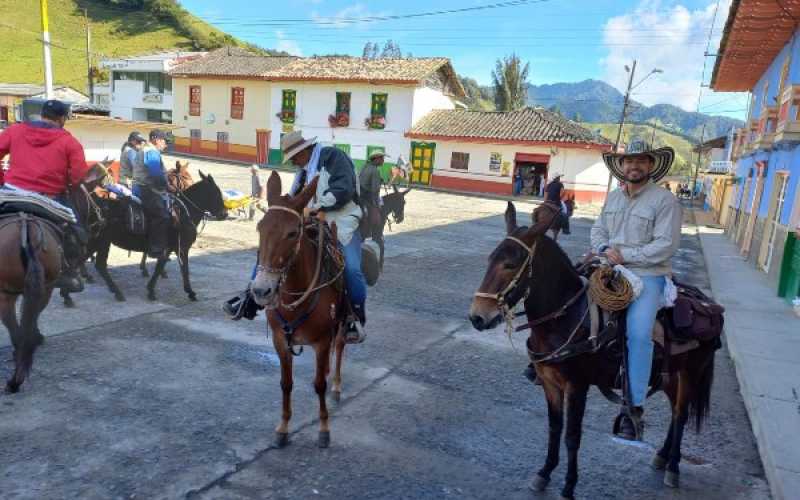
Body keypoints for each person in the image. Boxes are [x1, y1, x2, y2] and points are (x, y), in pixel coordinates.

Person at [224, 131, 372, 344]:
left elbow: (344, 187)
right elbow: (297, 197)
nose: (293, 161)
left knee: (351, 268)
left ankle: (354, 316)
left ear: (305, 150)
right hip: (309, 219)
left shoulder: (333, 157)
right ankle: (250, 298)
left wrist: (318, 207)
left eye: (294, 156)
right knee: (274, 245)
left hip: (342, 220)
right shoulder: (303, 171)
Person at [590, 140, 682, 440]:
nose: (634, 166)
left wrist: (626, 255)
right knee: (568, 301)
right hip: (611, 269)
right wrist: (604, 248)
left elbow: (665, 245)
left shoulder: (664, 201)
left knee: (639, 333)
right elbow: (598, 230)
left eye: (641, 161)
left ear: (651, 165)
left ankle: (633, 407)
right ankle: (550, 362)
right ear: (622, 165)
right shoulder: (613, 198)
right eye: (630, 161)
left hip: (648, 274)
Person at [0, 99, 90, 293]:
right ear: (62, 119)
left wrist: (1, 180)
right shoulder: (70, 142)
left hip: (11, 192)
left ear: (42, 114)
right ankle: (69, 273)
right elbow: (78, 176)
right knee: (77, 231)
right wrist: (68, 184)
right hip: (50, 197)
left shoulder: (15, 131)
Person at [135, 129, 170, 259]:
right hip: (147, 190)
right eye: (164, 141)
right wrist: (167, 186)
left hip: (142, 188)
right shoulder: (151, 151)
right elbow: (155, 173)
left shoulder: (146, 149)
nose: (165, 144)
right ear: (156, 139)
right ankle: (156, 248)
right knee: (162, 216)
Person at [360, 150, 384, 233]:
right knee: (379, 210)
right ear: (376, 159)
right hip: (366, 196)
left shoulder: (365, 166)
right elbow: (375, 190)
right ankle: (371, 231)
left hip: (358, 194)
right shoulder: (375, 171)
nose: (383, 160)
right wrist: (376, 205)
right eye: (381, 158)